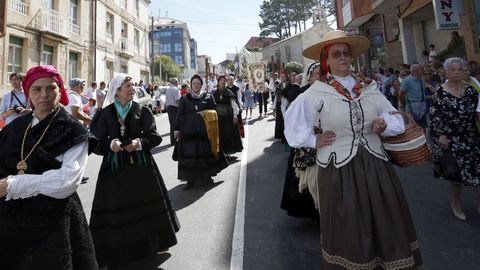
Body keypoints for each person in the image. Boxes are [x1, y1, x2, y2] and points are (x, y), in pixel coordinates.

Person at [285, 30, 421, 269]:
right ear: (326, 60)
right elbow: (293, 121)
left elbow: (393, 114)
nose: (343, 58)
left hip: (374, 163)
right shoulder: (318, 91)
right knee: (348, 220)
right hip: (339, 168)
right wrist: (311, 140)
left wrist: (384, 124)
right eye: (336, 54)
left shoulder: (368, 87)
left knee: (384, 216)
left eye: (346, 53)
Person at [0, 65, 98, 269]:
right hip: (12, 220)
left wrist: (13, 184)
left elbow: (67, 181)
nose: (44, 94)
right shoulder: (15, 127)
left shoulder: (73, 129)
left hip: (54, 221)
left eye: (50, 88)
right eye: (37, 89)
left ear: (60, 91)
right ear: (28, 93)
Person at [89, 74, 179, 268]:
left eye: (132, 86)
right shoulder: (106, 113)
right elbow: (95, 142)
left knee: (145, 206)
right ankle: (117, 252)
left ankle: (151, 247)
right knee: (117, 211)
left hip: (142, 169)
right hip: (114, 172)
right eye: (128, 86)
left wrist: (139, 143)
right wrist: (110, 144)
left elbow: (154, 137)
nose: (132, 89)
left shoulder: (142, 110)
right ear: (117, 90)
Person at [429, 57, 480, 221]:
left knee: (478, 171)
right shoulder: (441, 93)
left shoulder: (471, 91)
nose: (457, 72)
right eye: (453, 70)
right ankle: (456, 203)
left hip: (471, 136)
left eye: (460, 69)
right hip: (452, 139)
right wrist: (441, 135)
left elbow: (477, 114)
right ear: (446, 72)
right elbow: (435, 117)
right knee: (456, 176)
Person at [174, 74, 228, 189]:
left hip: (205, 132)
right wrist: (176, 129)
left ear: (201, 85)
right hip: (188, 132)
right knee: (190, 155)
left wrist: (206, 113)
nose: (196, 85)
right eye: (194, 83)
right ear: (191, 85)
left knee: (205, 153)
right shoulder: (184, 98)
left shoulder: (208, 97)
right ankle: (190, 180)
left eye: (198, 83)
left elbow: (215, 111)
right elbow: (179, 115)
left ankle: (207, 177)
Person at [212, 75, 243, 157]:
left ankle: (229, 153)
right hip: (219, 118)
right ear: (218, 82)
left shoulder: (229, 92)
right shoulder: (215, 93)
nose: (222, 82)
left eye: (223, 80)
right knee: (220, 135)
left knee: (228, 134)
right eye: (220, 80)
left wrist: (235, 116)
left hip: (228, 117)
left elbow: (234, 104)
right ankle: (223, 152)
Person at [165, 78, 182, 145]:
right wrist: (181, 109)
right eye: (177, 82)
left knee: (172, 125)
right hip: (175, 108)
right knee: (176, 124)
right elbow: (178, 100)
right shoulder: (175, 89)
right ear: (176, 82)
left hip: (169, 108)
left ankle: (173, 141)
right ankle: (175, 140)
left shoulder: (168, 89)